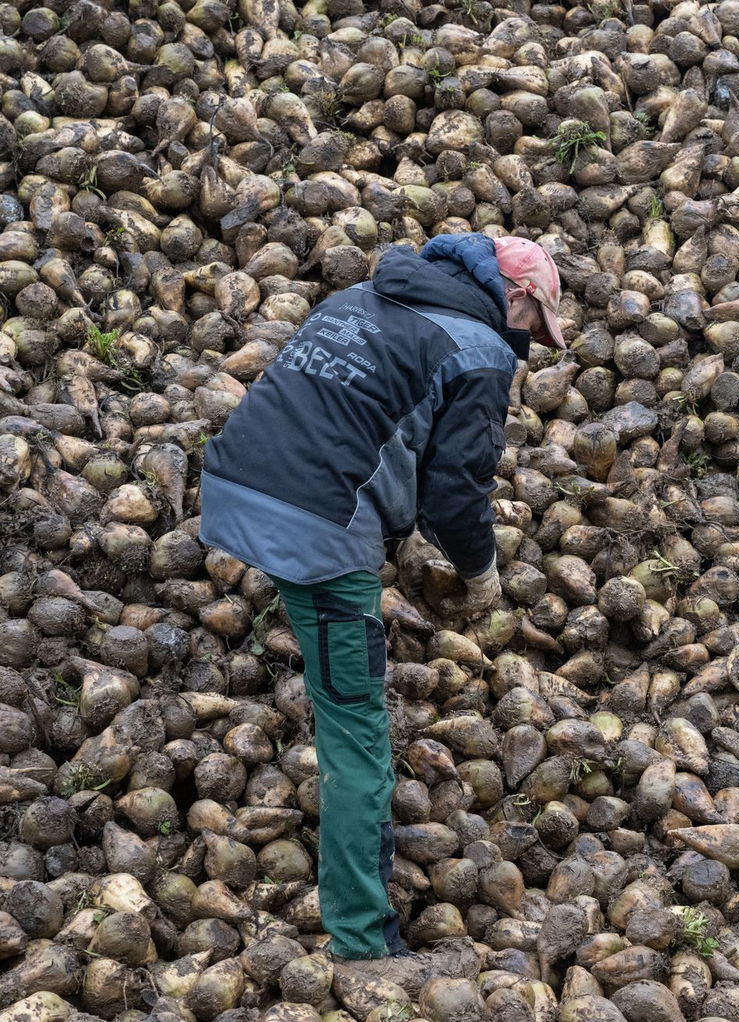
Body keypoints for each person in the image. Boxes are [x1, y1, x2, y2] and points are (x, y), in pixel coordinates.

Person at [197, 232, 563, 975]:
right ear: (518, 297)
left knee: (338, 628)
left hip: (235, 482)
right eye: (537, 325)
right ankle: (363, 937)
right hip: (315, 525)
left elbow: (335, 416)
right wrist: (482, 574)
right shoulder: (481, 349)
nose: (531, 343)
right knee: (357, 730)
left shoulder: (359, 296)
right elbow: (455, 492)